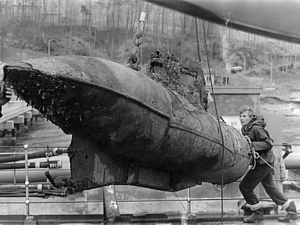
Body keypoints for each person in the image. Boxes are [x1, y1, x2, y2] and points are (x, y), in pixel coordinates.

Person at [239, 106, 298, 223]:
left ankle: (257, 213)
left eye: (244, 116)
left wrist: (251, 145)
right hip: (262, 163)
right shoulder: (244, 129)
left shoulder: (255, 128)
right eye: (240, 116)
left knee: (245, 187)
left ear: (250, 117)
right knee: (270, 189)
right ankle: (291, 210)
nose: (241, 118)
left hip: (263, 163)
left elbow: (268, 143)